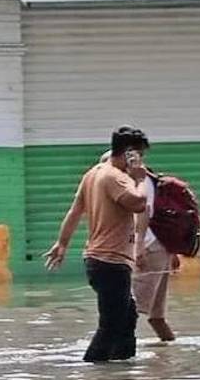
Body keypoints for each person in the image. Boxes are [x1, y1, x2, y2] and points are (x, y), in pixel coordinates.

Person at [46, 126, 150, 363]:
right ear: (130, 154)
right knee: (111, 325)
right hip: (110, 261)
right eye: (139, 155)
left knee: (128, 316)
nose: (142, 161)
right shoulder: (116, 177)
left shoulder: (93, 173)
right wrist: (139, 178)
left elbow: (75, 212)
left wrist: (62, 243)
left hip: (99, 261)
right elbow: (138, 203)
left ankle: (122, 367)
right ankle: (95, 371)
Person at [133, 170, 179, 343]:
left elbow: (144, 210)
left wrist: (138, 248)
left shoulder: (139, 183)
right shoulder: (149, 181)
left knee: (129, 309)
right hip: (160, 247)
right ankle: (168, 350)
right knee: (156, 317)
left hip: (148, 249)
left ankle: (118, 350)